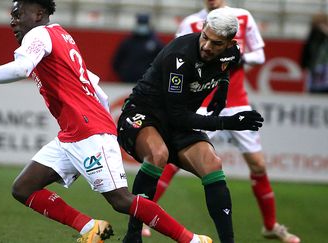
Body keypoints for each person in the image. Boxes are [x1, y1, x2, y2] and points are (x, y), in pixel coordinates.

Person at [0, 1, 212, 242]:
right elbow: (96, 86)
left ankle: (192, 240)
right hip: (75, 131)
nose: (13, 21)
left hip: (87, 130)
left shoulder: (39, 34)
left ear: (38, 13)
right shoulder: (62, 35)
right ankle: (90, 228)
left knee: (120, 200)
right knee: (23, 188)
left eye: (18, 13)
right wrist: (104, 120)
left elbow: (21, 69)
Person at [145, 1, 301, 243]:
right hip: (201, 101)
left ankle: (270, 226)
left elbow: (259, 55)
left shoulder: (243, 18)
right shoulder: (191, 23)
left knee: (258, 164)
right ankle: (146, 215)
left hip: (237, 100)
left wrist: (229, 59)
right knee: (178, 158)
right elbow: (177, 59)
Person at [117, 7, 264, 243]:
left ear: (228, 43)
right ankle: (133, 235)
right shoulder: (180, 56)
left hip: (175, 124)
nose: (206, 46)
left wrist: (222, 91)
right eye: (204, 37)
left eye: (216, 43)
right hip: (142, 114)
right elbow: (178, 116)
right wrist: (229, 122)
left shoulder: (231, 53)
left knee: (212, 164)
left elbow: (228, 65)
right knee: (158, 154)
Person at [112, 13, 164, 83]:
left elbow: (161, 62)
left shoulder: (155, 43)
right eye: (140, 23)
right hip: (127, 81)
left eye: (144, 24)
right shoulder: (128, 42)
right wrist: (123, 74)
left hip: (147, 82)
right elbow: (116, 61)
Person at [300, 13, 328, 93]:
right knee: (317, 90)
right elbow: (309, 51)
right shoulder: (315, 34)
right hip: (318, 68)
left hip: (319, 68)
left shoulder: (314, 35)